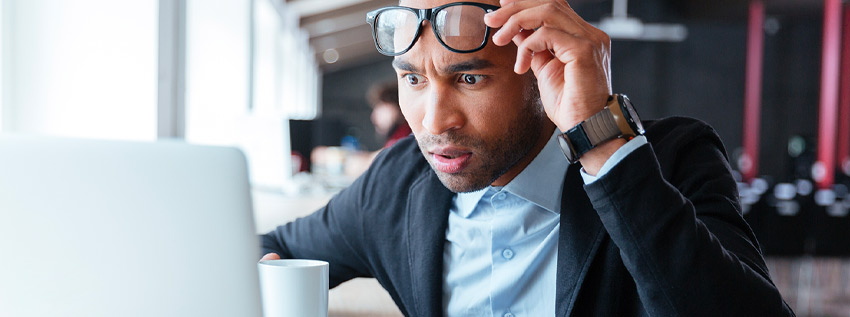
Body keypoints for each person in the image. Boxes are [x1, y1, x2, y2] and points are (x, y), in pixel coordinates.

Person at [262, 0, 794, 315]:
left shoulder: (669, 159)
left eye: (469, 77)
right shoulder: (395, 185)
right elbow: (274, 250)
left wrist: (604, 141)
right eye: (413, 79)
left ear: (542, 66)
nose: (433, 119)